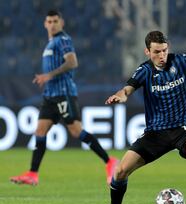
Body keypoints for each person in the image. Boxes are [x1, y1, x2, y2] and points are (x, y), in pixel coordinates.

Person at [94, 30, 186, 204]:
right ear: (147, 52)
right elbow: (127, 89)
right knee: (120, 171)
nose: (161, 56)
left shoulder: (181, 61)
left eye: (164, 50)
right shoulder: (145, 71)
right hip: (156, 132)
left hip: (184, 127)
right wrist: (120, 96)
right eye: (156, 52)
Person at [10, 10, 117, 186]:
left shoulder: (63, 40)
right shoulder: (50, 43)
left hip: (63, 93)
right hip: (50, 96)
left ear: (62, 23)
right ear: (45, 24)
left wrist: (49, 75)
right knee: (40, 131)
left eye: (55, 21)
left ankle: (109, 161)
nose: (52, 24)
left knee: (76, 131)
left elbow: (72, 62)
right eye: (49, 21)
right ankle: (32, 174)